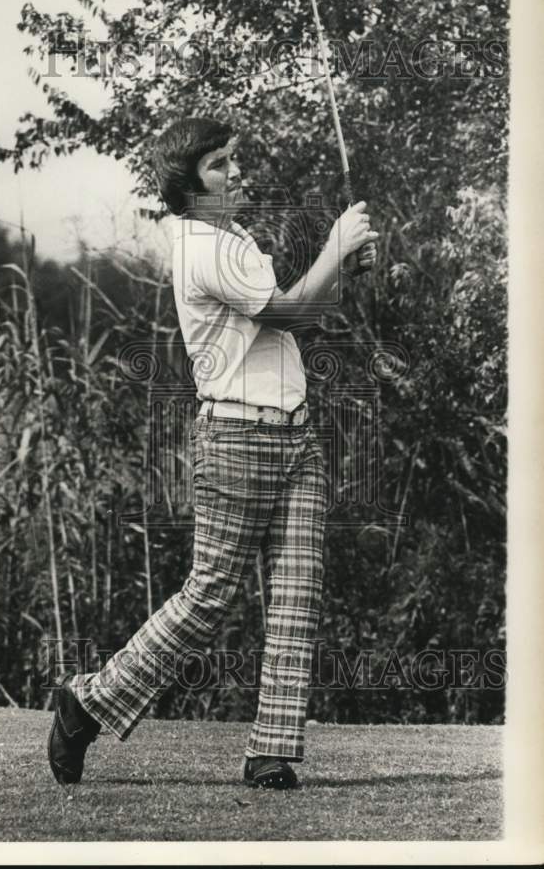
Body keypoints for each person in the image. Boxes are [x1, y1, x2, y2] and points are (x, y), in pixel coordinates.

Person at [48, 116, 378, 789]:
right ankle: (86, 701)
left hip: (294, 433)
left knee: (296, 597)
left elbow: (304, 314)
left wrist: (342, 268)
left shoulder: (233, 239)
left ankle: (270, 753)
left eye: (235, 160)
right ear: (185, 184)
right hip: (235, 436)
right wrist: (334, 245)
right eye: (219, 165)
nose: (237, 172)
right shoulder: (200, 247)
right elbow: (283, 314)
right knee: (208, 596)